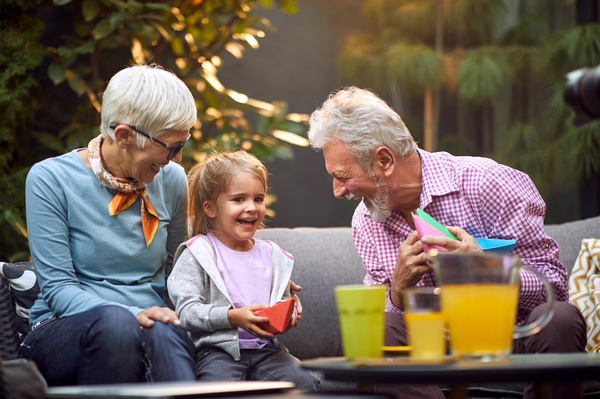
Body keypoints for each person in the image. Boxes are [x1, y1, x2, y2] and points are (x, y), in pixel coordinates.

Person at [307, 86, 587, 399]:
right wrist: (398, 292)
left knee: (561, 318)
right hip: (434, 342)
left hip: (512, 334)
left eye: (343, 176)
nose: (338, 190)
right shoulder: (366, 221)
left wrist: (488, 268)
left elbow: (555, 288)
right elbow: (385, 322)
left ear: (384, 160)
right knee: (381, 328)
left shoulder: (487, 183)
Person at [21, 64, 198, 385]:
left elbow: (178, 271)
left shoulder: (171, 179)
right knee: (117, 323)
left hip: (153, 324)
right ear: (123, 135)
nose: (178, 160)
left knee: (165, 331)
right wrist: (132, 313)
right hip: (65, 328)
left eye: (182, 144)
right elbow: (59, 290)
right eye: (171, 147)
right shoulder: (50, 179)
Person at [167, 151, 319, 390]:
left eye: (258, 199)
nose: (251, 207)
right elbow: (186, 312)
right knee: (216, 389)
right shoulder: (197, 253)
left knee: (305, 381)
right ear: (210, 208)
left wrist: (286, 313)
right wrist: (231, 317)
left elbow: (279, 304)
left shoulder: (273, 255)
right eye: (239, 199)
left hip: (267, 351)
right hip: (217, 352)